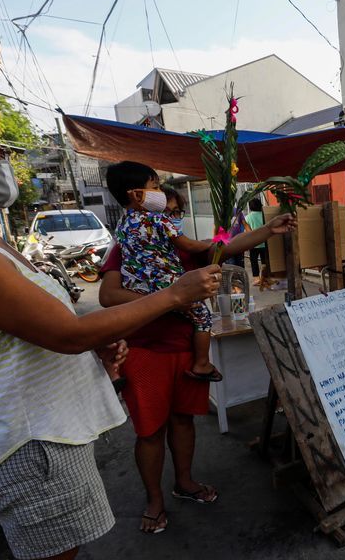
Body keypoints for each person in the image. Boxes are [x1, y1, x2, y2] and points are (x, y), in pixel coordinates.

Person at [0, 100, 219, 559]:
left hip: (50, 436)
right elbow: (66, 333)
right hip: (32, 445)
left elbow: (42, 332)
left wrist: (92, 348)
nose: (0, 161)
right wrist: (174, 295)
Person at [100, 176, 295, 534]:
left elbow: (224, 245)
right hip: (145, 349)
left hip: (186, 351)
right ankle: (154, 498)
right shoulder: (125, 243)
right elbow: (108, 297)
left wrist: (268, 229)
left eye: (175, 208)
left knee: (183, 421)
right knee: (150, 432)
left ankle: (185, 482)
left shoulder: (178, 241)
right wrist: (172, 300)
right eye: (155, 187)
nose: (169, 207)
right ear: (138, 195)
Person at [107, 162, 221, 382]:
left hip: (138, 286)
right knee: (203, 317)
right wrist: (211, 245)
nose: (160, 192)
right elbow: (186, 245)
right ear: (136, 194)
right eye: (155, 187)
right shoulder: (159, 219)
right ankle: (202, 364)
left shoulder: (121, 224)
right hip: (168, 283)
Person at [244, 199, 267, 285]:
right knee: (265, 262)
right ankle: (265, 278)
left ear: (250, 207)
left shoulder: (247, 217)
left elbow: (246, 232)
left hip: (253, 243)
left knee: (254, 262)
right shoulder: (264, 215)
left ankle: (257, 279)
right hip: (265, 242)